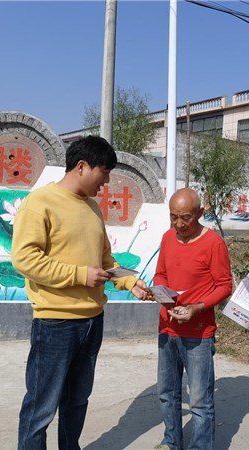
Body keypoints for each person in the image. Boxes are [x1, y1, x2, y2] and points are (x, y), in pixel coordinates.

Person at [11, 136, 152, 450]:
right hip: (55, 323)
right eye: (105, 172)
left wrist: (130, 282)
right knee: (41, 405)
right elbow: (24, 259)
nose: (107, 181)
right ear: (82, 166)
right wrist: (79, 275)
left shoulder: (92, 208)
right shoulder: (40, 203)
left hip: (92, 321)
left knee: (77, 400)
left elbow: (105, 260)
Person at [151, 187, 233, 450]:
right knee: (167, 394)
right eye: (173, 217)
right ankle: (171, 442)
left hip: (198, 333)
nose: (179, 224)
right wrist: (161, 293)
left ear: (200, 212)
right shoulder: (168, 238)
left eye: (185, 217)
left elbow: (224, 286)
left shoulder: (213, 244)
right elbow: (160, 274)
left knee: (199, 401)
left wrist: (197, 308)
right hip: (168, 328)